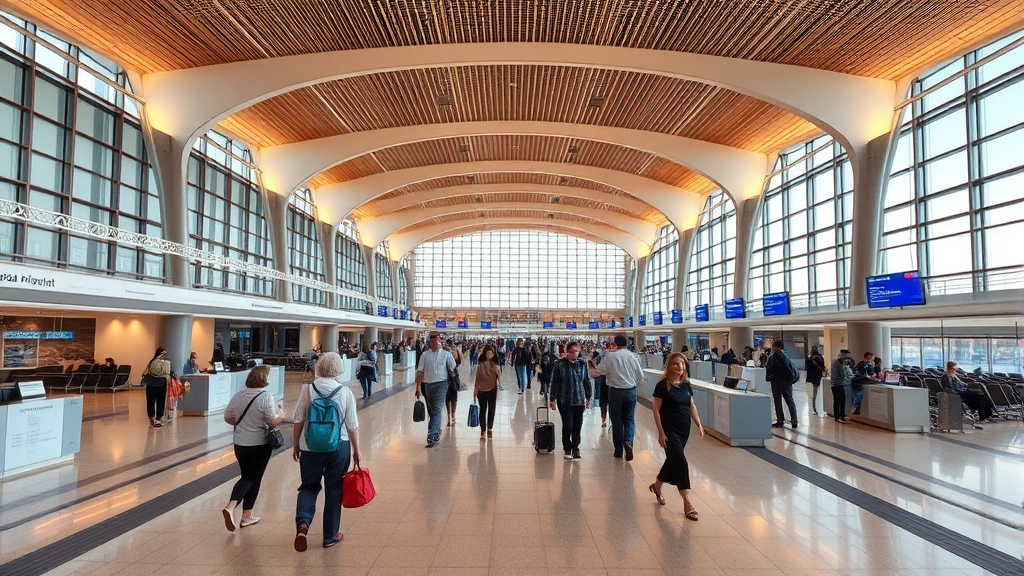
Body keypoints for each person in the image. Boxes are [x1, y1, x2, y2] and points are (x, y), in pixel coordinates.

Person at [291, 352, 360, 551]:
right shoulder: (344, 392)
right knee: (334, 490)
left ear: (319, 368)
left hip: (310, 447)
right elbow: (352, 424)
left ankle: (303, 524)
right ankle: (330, 536)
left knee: (308, 486)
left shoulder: (308, 389)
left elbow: (298, 419)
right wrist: (357, 450)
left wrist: (296, 445)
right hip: (338, 447)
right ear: (339, 369)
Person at [222, 366, 290, 532]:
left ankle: (247, 516)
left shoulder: (238, 395)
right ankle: (231, 506)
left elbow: (228, 417)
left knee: (251, 477)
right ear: (263, 379)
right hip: (259, 444)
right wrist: (282, 415)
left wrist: (244, 425)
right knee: (251, 478)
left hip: (240, 443)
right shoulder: (266, 397)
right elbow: (273, 420)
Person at [649, 352, 705, 520]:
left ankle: (657, 486)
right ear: (669, 367)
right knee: (680, 461)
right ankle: (687, 502)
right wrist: (660, 431)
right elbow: (656, 410)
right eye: (675, 364)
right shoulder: (662, 385)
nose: (679, 367)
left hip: (683, 429)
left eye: (681, 365)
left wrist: (699, 424)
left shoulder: (686, 385)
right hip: (669, 428)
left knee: (673, 458)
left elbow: (691, 406)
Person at [589, 334, 645, 461]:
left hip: (615, 392)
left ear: (615, 343)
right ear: (626, 344)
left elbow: (601, 372)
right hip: (630, 391)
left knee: (616, 420)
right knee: (629, 419)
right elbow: (641, 377)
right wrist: (633, 385)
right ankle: (628, 442)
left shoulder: (610, 356)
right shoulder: (633, 356)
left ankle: (618, 450)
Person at [548, 341, 592, 460]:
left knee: (578, 425)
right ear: (567, 352)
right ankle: (567, 447)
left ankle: (576, 447)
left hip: (579, 400)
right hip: (565, 400)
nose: (575, 354)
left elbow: (586, 381)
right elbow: (555, 382)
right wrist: (552, 399)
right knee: (568, 424)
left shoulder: (582, 364)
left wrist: (588, 397)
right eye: (572, 352)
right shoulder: (559, 364)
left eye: (576, 351)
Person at [415, 332, 457, 448]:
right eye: (433, 341)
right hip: (428, 385)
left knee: (437, 408)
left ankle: (431, 436)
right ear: (430, 342)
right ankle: (437, 431)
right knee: (432, 410)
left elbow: (453, 368)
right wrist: (418, 387)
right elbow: (420, 372)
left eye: (438, 341)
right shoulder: (425, 355)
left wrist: (453, 377)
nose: (436, 343)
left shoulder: (446, 354)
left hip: (442, 384)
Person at [940, 361, 993, 425]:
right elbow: (951, 388)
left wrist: (963, 381)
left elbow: (962, 384)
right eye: (954, 369)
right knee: (980, 397)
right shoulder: (947, 377)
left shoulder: (953, 375)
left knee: (983, 396)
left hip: (963, 391)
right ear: (949, 368)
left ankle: (987, 415)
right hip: (959, 393)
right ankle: (982, 417)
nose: (955, 371)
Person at [765, 341, 799, 429]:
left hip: (776, 382)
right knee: (789, 400)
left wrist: (769, 377)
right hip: (786, 382)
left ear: (775, 347)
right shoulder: (785, 356)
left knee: (778, 401)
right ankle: (794, 421)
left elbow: (769, 369)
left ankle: (780, 420)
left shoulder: (773, 357)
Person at [473, 345, 500, 440]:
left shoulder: (495, 365)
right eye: (488, 353)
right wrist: (475, 391)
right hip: (482, 390)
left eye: (491, 353)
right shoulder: (481, 365)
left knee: (492, 410)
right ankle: (483, 430)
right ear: (485, 354)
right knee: (483, 410)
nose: (489, 355)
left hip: (493, 389)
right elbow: (477, 378)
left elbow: (498, 378)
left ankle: (490, 429)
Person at [142, 348, 172, 428]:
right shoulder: (165, 362)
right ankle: (158, 417)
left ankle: (151, 417)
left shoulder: (151, 361)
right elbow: (165, 372)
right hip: (161, 383)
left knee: (150, 401)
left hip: (150, 383)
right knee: (160, 401)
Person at [830, 349, 854, 423]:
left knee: (838, 400)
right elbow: (843, 374)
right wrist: (851, 377)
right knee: (840, 400)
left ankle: (839, 416)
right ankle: (840, 417)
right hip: (838, 384)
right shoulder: (839, 363)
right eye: (847, 357)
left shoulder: (834, 361)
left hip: (835, 384)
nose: (848, 359)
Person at [444, 341, 463, 427]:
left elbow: (458, 362)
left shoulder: (455, 353)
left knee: (451, 398)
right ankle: (451, 417)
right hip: (449, 376)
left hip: (452, 377)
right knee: (450, 398)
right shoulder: (447, 353)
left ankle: (452, 416)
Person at [805, 346, 826, 415]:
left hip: (810, 379)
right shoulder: (821, 358)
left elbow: (806, 367)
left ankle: (813, 408)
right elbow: (823, 367)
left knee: (811, 395)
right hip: (817, 378)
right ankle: (815, 408)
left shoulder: (808, 359)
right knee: (816, 394)